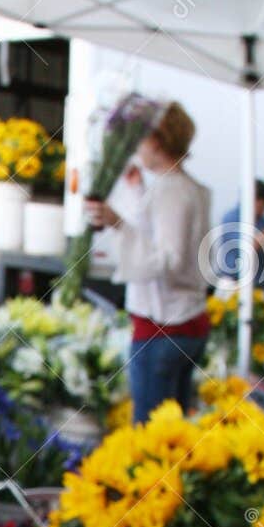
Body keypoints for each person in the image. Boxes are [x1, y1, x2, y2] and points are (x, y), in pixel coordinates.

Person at [85, 102, 210, 425]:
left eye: (140, 138)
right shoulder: (190, 188)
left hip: (164, 326)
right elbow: (166, 238)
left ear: (156, 140)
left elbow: (167, 258)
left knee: (150, 435)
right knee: (174, 432)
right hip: (186, 323)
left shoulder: (172, 190)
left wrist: (118, 224)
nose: (136, 146)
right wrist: (136, 191)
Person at [217, 179, 264, 286]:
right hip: (234, 284)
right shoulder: (232, 218)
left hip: (257, 284)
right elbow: (248, 246)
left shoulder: (262, 220)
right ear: (254, 200)